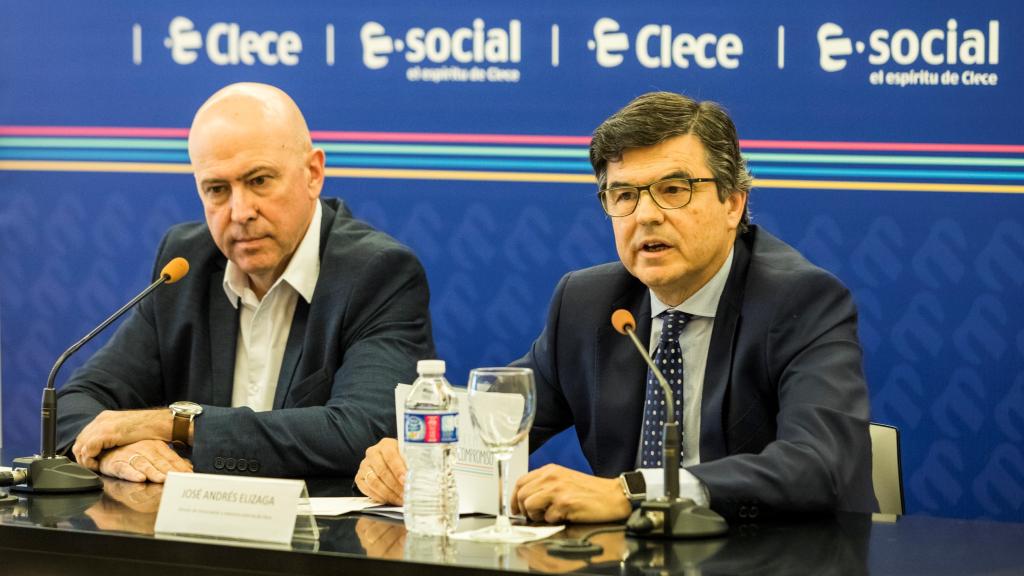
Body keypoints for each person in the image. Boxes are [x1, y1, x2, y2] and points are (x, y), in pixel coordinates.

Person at [355, 91, 876, 522]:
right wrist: (418, 454)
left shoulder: (801, 301)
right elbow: (500, 417)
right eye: (623, 195)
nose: (645, 215)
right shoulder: (588, 303)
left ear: (732, 202)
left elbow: (820, 464)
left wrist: (632, 492)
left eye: (673, 189)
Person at [57, 82, 434, 483]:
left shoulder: (378, 273)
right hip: (192, 538)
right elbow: (72, 407)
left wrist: (176, 424)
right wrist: (121, 451)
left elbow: (360, 431)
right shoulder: (186, 265)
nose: (240, 212)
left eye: (259, 181)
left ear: (313, 173)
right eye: (217, 190)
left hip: (320, 540)